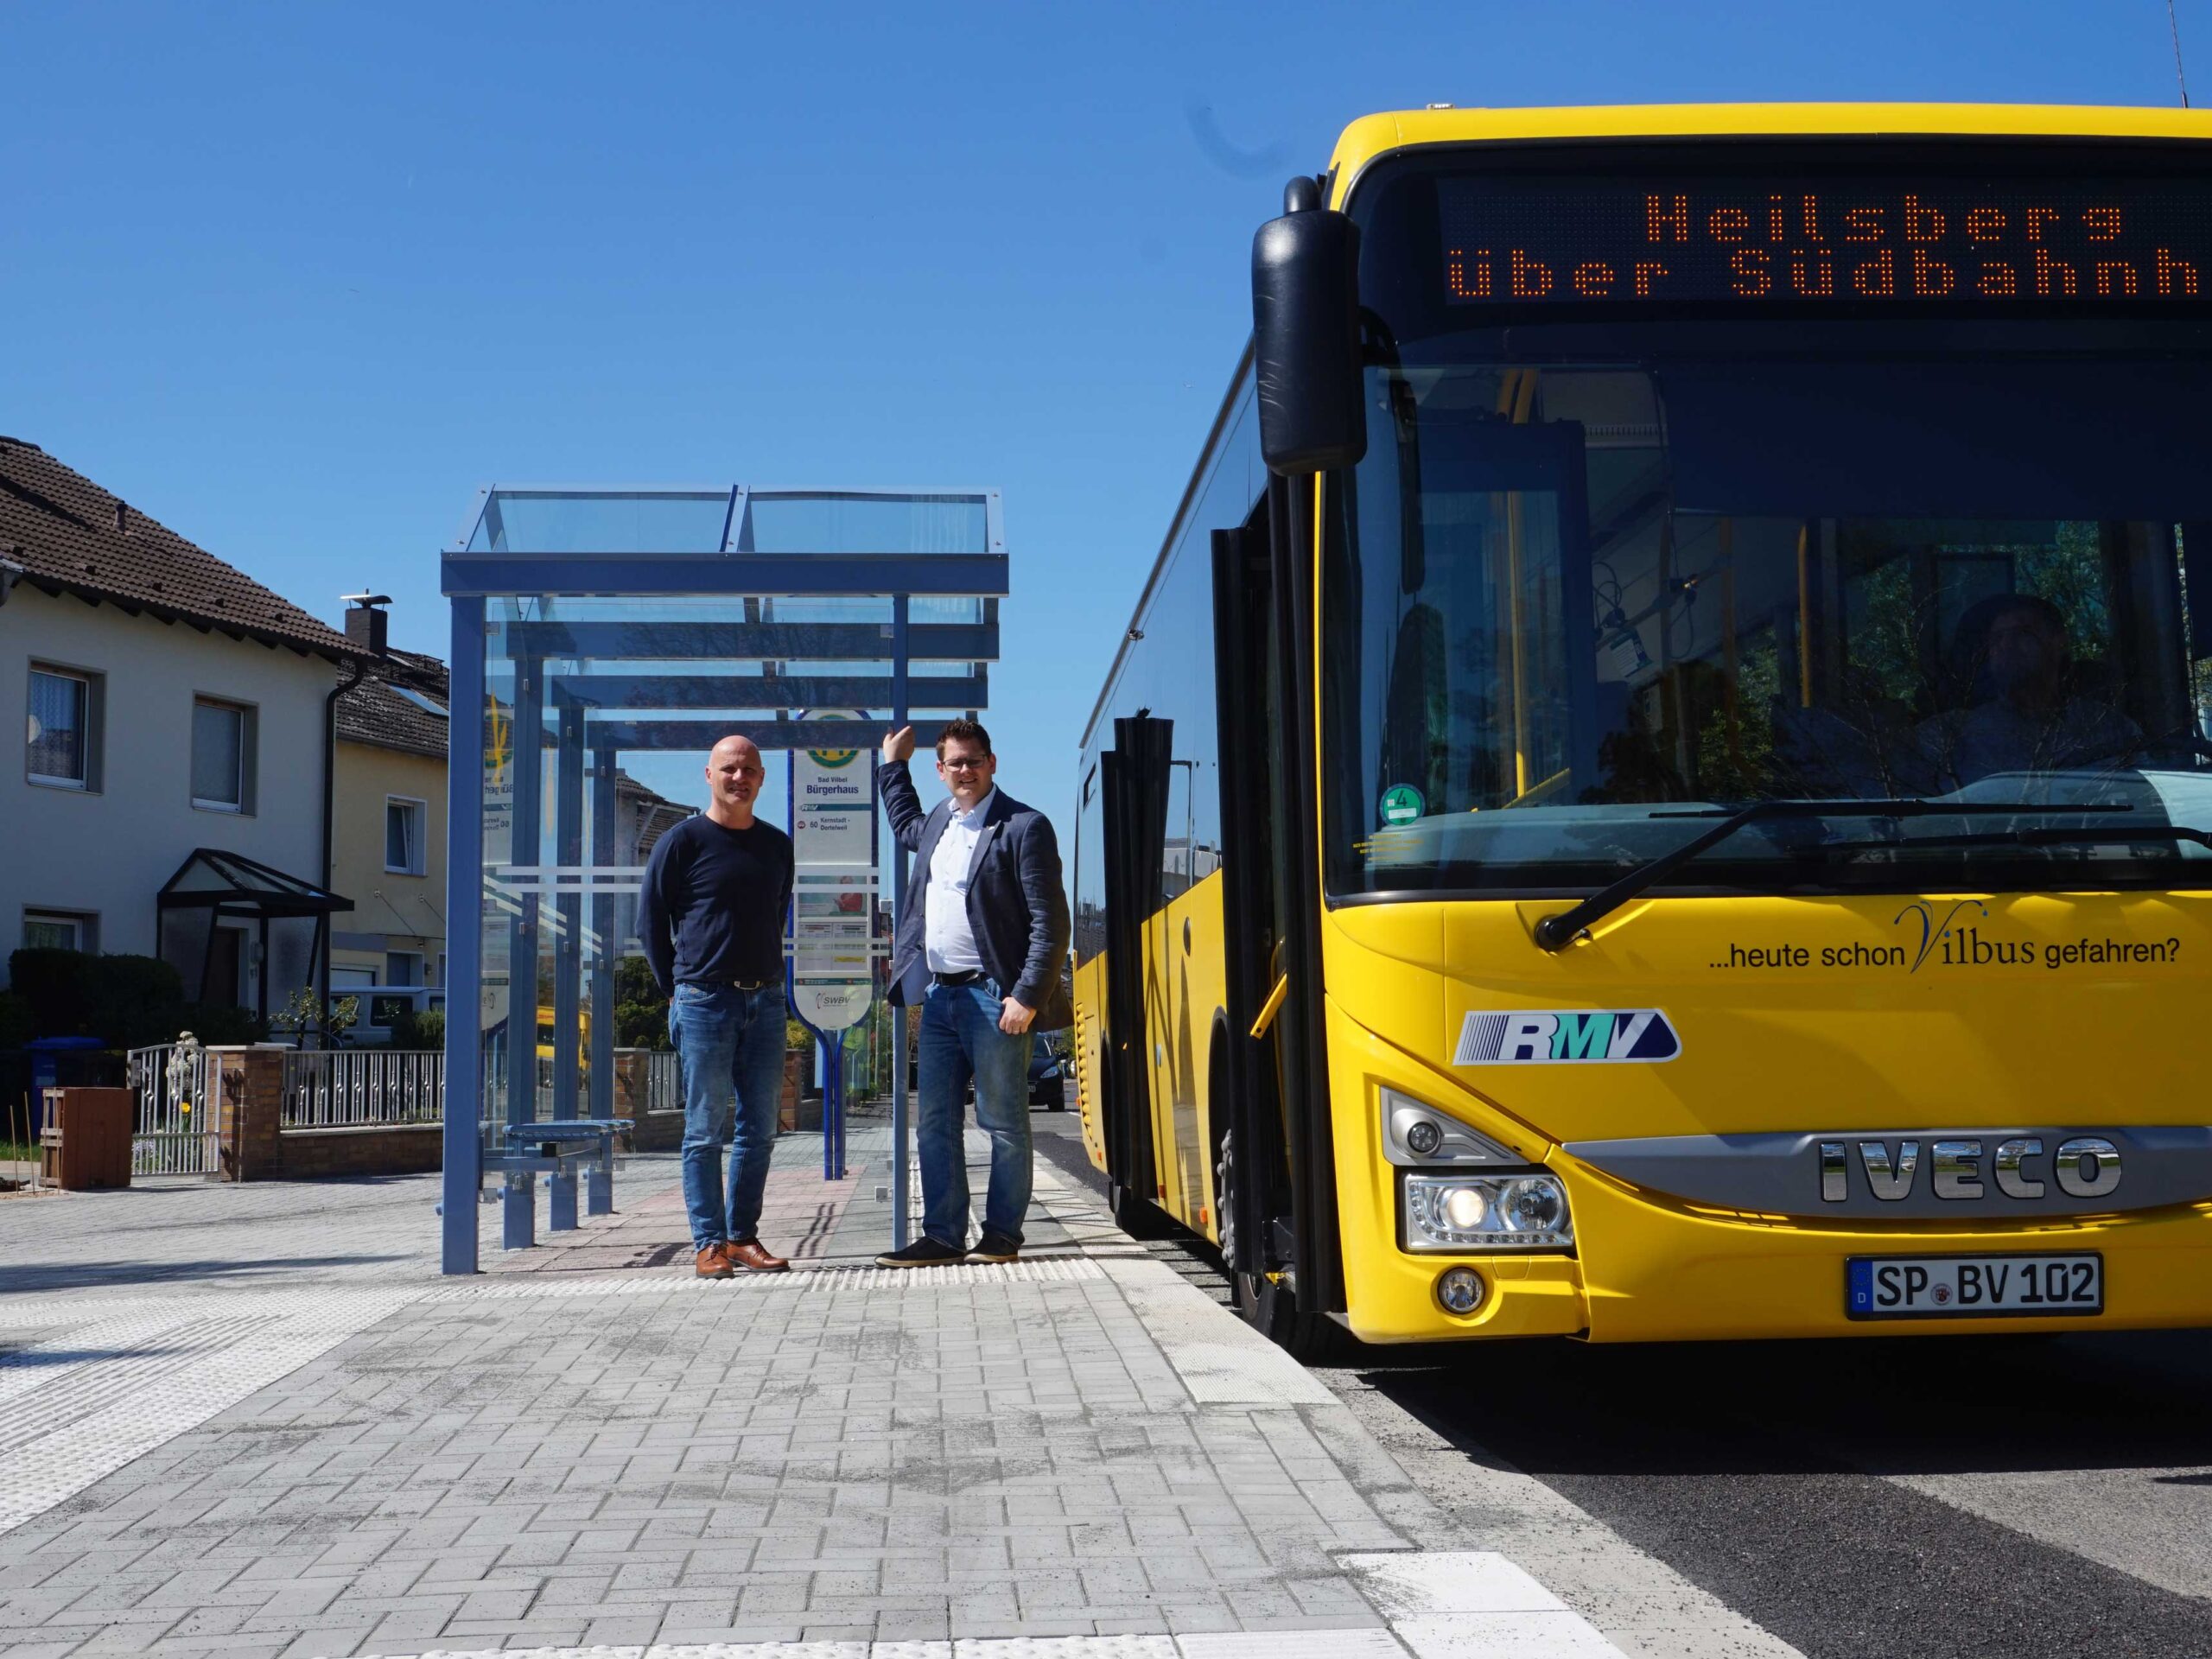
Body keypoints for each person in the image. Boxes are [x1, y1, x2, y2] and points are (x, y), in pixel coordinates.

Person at [874, 718, 1071, 1267]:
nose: (964, 770)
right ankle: (942, 1235)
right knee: (935, 1121)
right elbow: (905, 825)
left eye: (973, 760)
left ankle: (1002, 1235)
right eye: (954, 763)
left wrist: (1026, 996)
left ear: (992, 762)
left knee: (1003, 1121)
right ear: (941, 770)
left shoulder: (1024, 826)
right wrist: (892, 766)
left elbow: (1050, 923)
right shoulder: (939, 820)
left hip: (994, 997)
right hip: (940, 998)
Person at [638, 734, 793, 1278]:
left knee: (760, 1129)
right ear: (709, 775)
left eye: (749, 769)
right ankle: (709, 1244)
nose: (739, 777)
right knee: (704, 1128)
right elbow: (651, 924)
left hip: (767, 1002)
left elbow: (777, 915)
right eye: (729, 768)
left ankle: (742, 1236)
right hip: (704, 1000)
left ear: (761, 778)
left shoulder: (777, 845)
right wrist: (675, 988)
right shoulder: (681, 842)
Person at [1919, 594, 2140, 787]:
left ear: (2059, 642)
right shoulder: (1949, 736)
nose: (2006, 645)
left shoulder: (2108, 729)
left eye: (2023, 633)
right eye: (1997, 638)